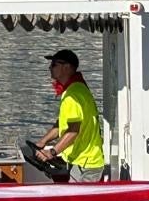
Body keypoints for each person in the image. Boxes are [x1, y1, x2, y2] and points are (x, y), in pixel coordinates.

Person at [34, 48, 107, 181]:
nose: (50, 67)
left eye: (54, 64)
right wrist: (43, 141)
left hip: (87, 164)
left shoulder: (72, 95)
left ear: (67, 67)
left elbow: (73, 131)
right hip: (79, 161)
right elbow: (62, 123)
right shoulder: (75, 88)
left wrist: (52, 152)